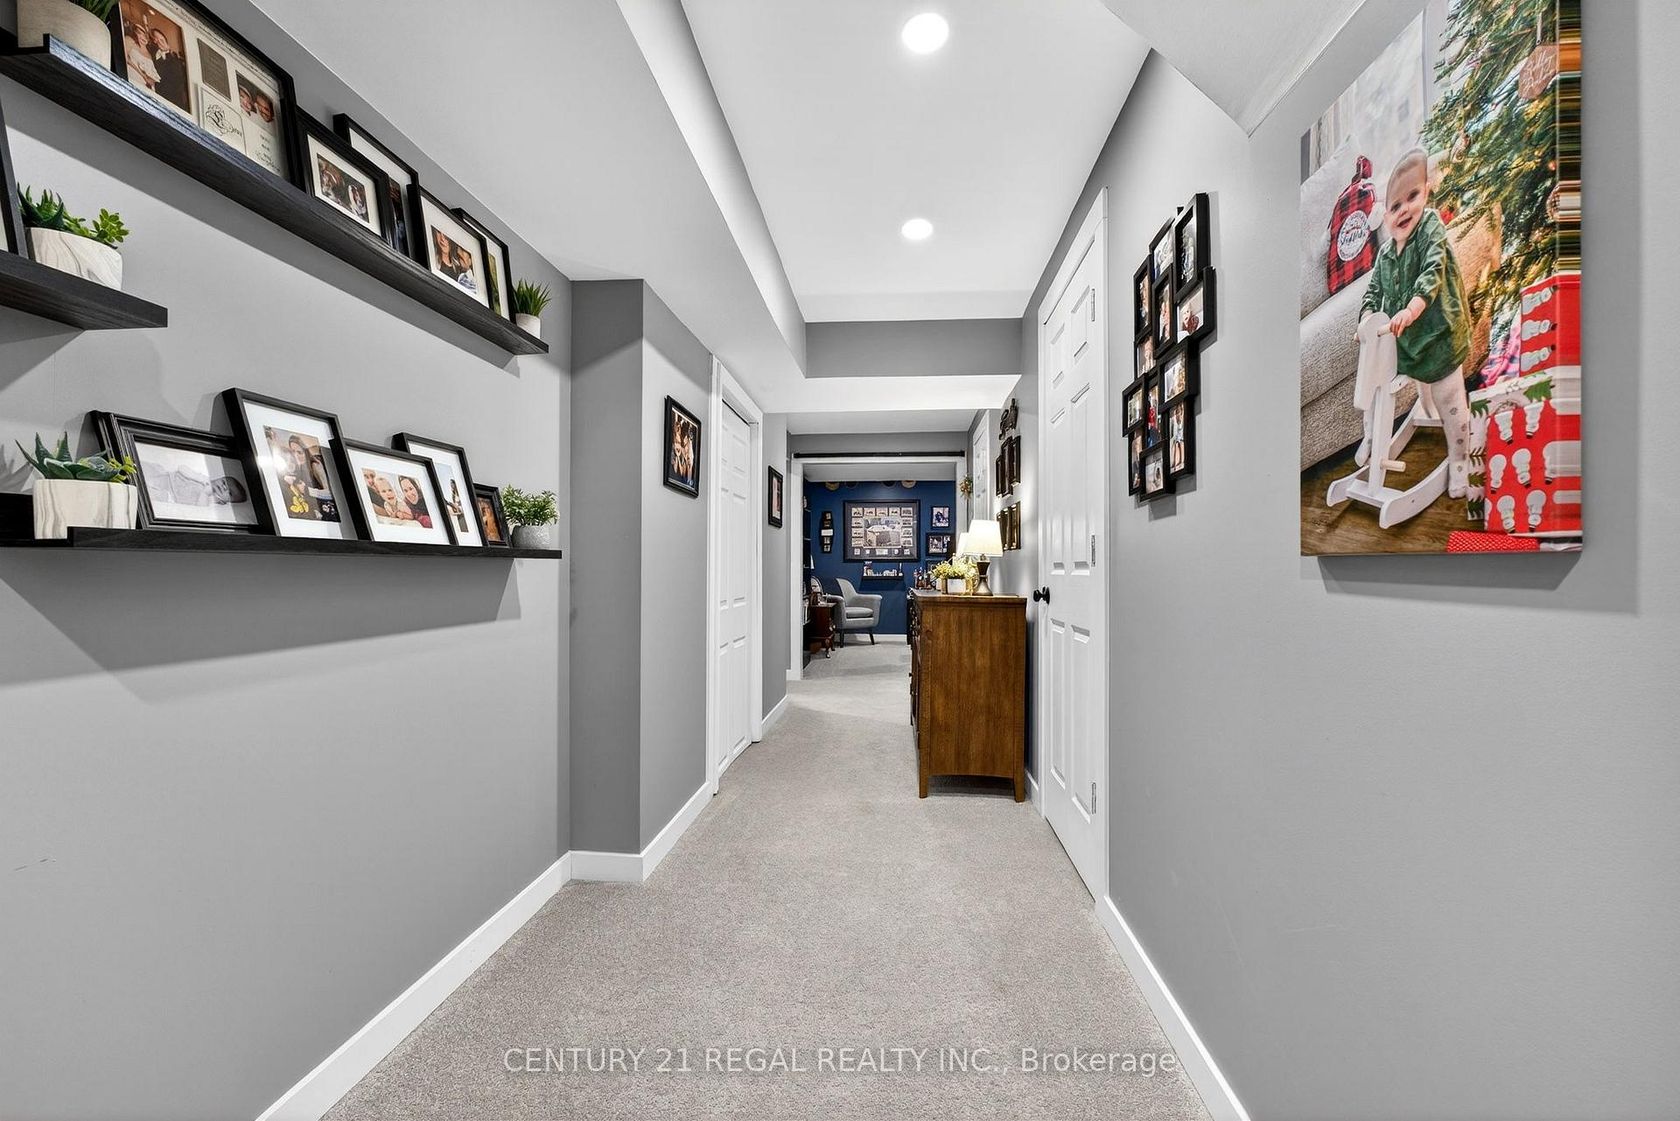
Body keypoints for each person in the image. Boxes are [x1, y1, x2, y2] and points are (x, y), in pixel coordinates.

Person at [1357, 147, 1473, 497]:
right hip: (1407, 342)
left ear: (1426, 193)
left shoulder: (1431, 226)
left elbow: (1433, 270)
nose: (1404, 209)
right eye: (1395, 206)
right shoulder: (1385, 254)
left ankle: (1460, 460)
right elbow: (1373, 291)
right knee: (1380, 381)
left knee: (1448, 395)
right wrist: (1366, 319)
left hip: (1439, 333)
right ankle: (1372, 435)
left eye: (1412, 197)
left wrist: (1412, 308)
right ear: (1385, 217)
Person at [149, 27, 189, 112]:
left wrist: (167, 52)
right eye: (155, 39)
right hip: (158, 97)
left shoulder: (174, 57)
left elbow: (178, 77)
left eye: (161, 39)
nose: (159, 42)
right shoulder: (152, 54)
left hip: (175, 98)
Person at [124, 23, 159, 90]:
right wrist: (144, 76)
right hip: (133, 79)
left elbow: (153, 76)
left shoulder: (150, 55)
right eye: (139, 33)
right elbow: (125, 58)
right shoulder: (130, 41)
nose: (143, 37)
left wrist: (151, 82)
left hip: (148, 87)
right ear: (135, 33)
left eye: (145, 35)